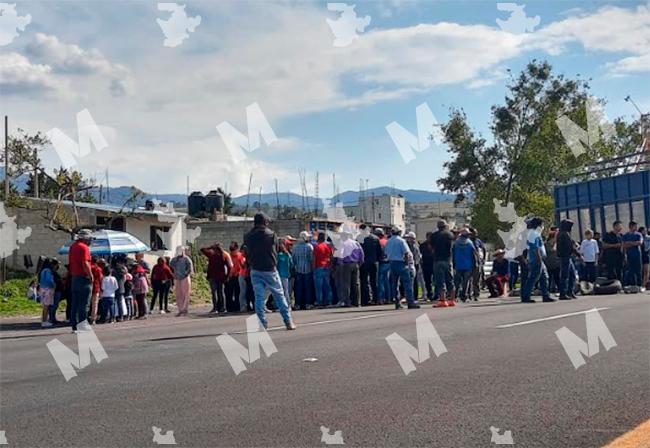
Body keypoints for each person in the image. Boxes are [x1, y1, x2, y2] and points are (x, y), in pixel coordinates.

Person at [243, 213, 296, 330]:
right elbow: (276, 250)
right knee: (280, 295)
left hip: (255, 269)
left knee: (259, 298)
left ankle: (262, 323)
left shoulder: (248, 236)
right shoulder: (271, 235)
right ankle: (288, 321)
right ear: (265, 222)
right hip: (270, 269)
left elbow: (246, 251)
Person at [384, 227, 419, 310]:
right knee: (407, 283)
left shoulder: (388, 241)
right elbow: (406, 253)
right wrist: (407, 264)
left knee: (394, 284)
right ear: (399, 232)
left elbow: (385, 253)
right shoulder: (401, 241)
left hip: (392, 263)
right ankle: (410, 302)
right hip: (401, 263)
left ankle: (397, 302)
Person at [521, 217, 554, 303]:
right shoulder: (533, 234)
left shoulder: (535, 233)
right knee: (533, 278)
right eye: (542, 224)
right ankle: (526, 296)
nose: (543, 226)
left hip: (539, 259)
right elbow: (535, 248)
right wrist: (539, 258)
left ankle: (546, 295)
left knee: (544, 277)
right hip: (536, 259)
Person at [68, 229, 94, 332]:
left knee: (75, 303)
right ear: (86, 238)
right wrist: (90, 275)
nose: (91, 241)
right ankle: (82, 325)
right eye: (90, 239)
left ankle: (74, 325)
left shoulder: (73, 246)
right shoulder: (84, 248)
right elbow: (85, 263)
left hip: (75, 277)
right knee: (84, 303)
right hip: (83, 277)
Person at [429, 220, 455, 307]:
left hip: (438, 260)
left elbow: (431, 247)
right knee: (450, 280)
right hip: (448, 260)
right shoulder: (450, 234)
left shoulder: (434, 235)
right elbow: (452, 248)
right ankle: (452, 300)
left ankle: (443, 300)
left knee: (440, 281)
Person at [201, 242, 232, 314]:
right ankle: (223, 308)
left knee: (214, 293)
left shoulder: (211, 254)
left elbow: (202, 249)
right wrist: (227, 276)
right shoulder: (224, 255)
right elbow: (229, 267)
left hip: (212, 276)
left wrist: (210, 247)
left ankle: (215, 308)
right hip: (221, 277)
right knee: (221, 292)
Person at [292, 231, 314, 310]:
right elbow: (311, 259)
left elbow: (293, 260)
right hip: (308, 269)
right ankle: (307, 304)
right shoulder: (309, 246)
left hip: (298, 270)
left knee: (298, 288)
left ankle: (298, 304)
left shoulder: (295, 247)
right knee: (308, 288)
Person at [556, 219, 578, 300]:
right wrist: (578, 255)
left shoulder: (562, 233)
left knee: (572, 275)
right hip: (565, 257)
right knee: (565, 276)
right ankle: (563, 293)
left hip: (566, 257)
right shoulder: (564, 234)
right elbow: (570, 247)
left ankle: (569, 291)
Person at [360, 226, 382, 305]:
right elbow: (380, 252)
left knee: (364, 281)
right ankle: (376, 299)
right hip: (374, 262)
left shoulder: (360, 238)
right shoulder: (375, 238)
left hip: (364, 262)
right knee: (374, 281)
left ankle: (366, 299)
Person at [452, 228, 476, 302]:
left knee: (457, 282)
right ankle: (464, 296)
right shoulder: (470, 243)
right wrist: (475, 264)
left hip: (458, 264)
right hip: (468, 265)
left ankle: (455, 296)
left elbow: (452, 254)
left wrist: (453, 264)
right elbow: (474, 255)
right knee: (466, 282)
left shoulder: (456, 243)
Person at [170, 246, 193, 316]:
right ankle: (180, 309)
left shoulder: (187, 259)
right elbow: (171, 266)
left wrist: (185, 274)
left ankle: (184, 309)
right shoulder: (174, 260)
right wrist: (173, 274)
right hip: (177, 278)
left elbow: (190, 268)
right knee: (178, 294)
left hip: (185, 278)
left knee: (185, 293)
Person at [313, 232, 334, 307]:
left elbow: (314, 258)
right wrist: (331, 266)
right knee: (327, 285)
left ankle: (320, 301)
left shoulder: (317, 246)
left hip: (319, 266)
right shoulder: (328, 246)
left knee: (319, 286)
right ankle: (328, 301)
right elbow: (331, 257)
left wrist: (313, 267)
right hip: (327, 266)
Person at [622, 221, 643, 288]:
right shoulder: (625, 235)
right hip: (629, 255)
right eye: (635, 226)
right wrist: (634, 243)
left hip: (637, 255)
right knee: (631, 270)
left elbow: (640, 243)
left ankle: (639, 285)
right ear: (631, 226)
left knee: (638, 270)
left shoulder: (638, 234)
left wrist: (629, 243)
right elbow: (624, 245)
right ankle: (632, 285)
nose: (636, 228)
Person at [226, 242, 245, 312]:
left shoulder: (240, 256)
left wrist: (237, 272)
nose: (232, 252)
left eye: (234, 250)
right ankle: (229, 307)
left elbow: (242, 266)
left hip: (238, 276)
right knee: (229, 292)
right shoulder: (229, 256)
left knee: (238, 292)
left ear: (237, 249)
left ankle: (237, 306)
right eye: (231, 251)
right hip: (230, 276)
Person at [469, 228, 486, 300]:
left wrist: (484, 259)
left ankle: (476, 294)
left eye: (476, 233)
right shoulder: (468, 241)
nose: (475, 235)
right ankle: (469, 294)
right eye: (474, 233)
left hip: (478, 262)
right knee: (469, 280)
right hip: (469, 262)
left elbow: (483, 249)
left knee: (477, 279)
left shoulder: (478, 241)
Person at [376, 229, 391, 305]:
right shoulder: (387, 241)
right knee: (387, 281)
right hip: (388, 262)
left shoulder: (379, 242)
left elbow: (379, 253)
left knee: (380, 282)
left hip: (381, 262)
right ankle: (388, 298)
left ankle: (381, 299)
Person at [277, 241, 294, 308]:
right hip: (286, 274)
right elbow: (292, 265)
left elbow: (276, 265)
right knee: (286, 291)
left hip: (279, 274)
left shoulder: (278, 256)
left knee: (279, 291)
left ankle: (281, 305)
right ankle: (288, 305)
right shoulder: (288, 255)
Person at [39, 259, 55, 328]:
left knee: (44, 306)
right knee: (46, 306)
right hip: (47, 289)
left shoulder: (42, 270)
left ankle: (44, 320)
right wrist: (54, 285)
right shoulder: (48, 270)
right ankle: (44, 321)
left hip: (42, 288)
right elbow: (49, 280)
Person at [419, 233, 434, 301]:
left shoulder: (435, 245)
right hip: (426, 264)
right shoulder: (422, 245)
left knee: (436, 280)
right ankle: (429, 294)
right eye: (428, 237)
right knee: (427, 281)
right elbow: (420, 255)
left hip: (433, 263)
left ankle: (436, 294)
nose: (429, 238)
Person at [89, 257, 104, 324]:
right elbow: (101, 279)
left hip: (88, 286)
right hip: (96, 287)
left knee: (86, 303)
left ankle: (84, 317)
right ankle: (93, 319)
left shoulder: (89, 267)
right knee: (95, 304)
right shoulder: (98, 269)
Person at [641, 226, 650, 290]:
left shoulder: (648, 238)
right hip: (640, 255)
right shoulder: (638, 237)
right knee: (642, 271)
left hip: (646, 255)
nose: (645, 231)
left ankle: (644, 285)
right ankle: (642, 284)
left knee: (646, 271)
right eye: (644, 230)